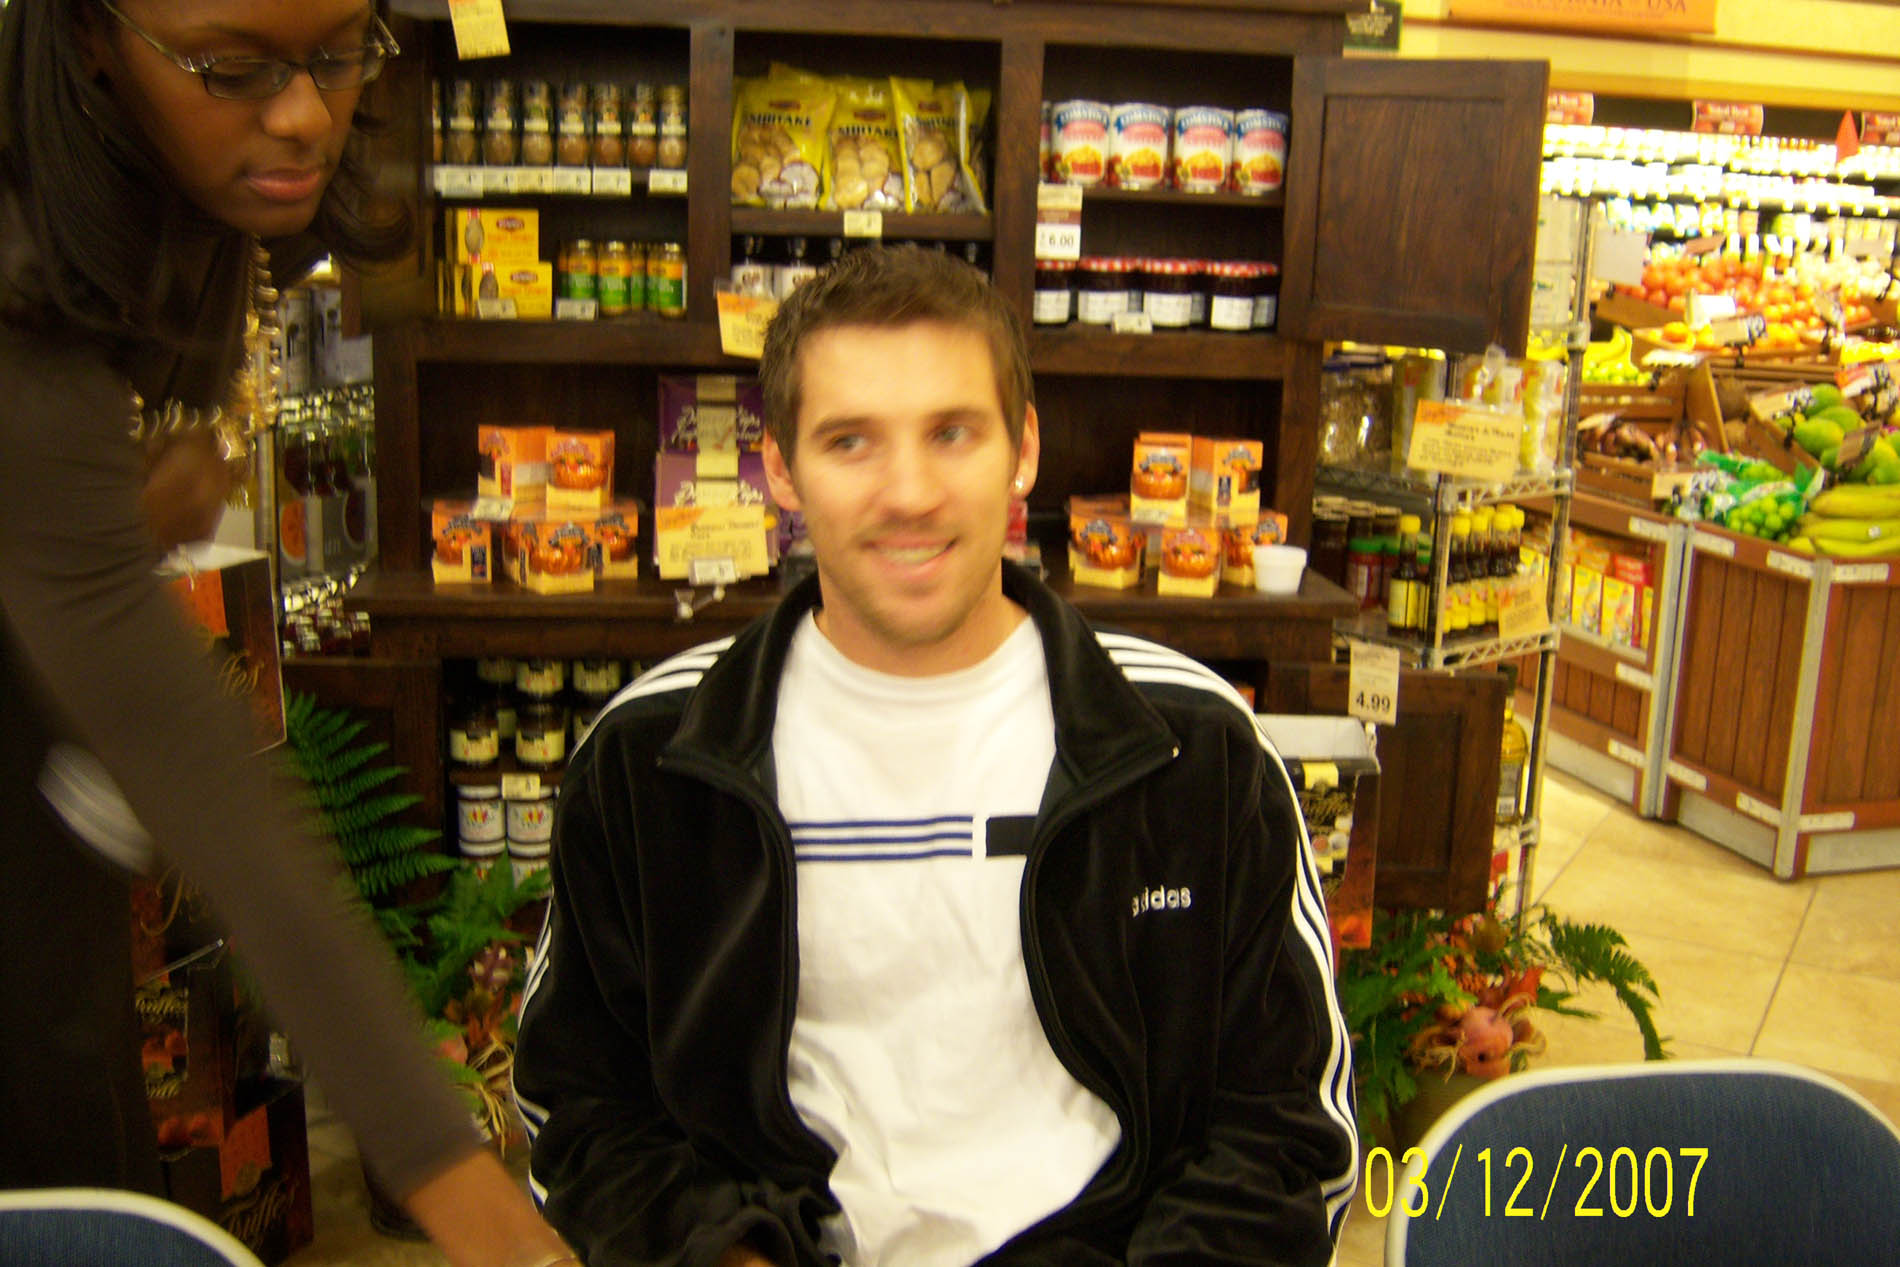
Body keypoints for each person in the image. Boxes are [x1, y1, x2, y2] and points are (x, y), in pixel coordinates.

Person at [514, 244, 1359, 1267]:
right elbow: (583, 1107)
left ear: (1023, 449)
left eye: (951, 432)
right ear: (780, 469)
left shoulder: (1193, 748)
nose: (909, 493)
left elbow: (1283, 1131)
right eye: (850, 441)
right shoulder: (648, 758)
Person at [0, 2, 577, 1263]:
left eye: (338, 51)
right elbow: (184, 747)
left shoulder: (209, 165)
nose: (307, 115)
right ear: (90, 38)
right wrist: (466, 1189)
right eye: (234, 67)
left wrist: (120, 491)